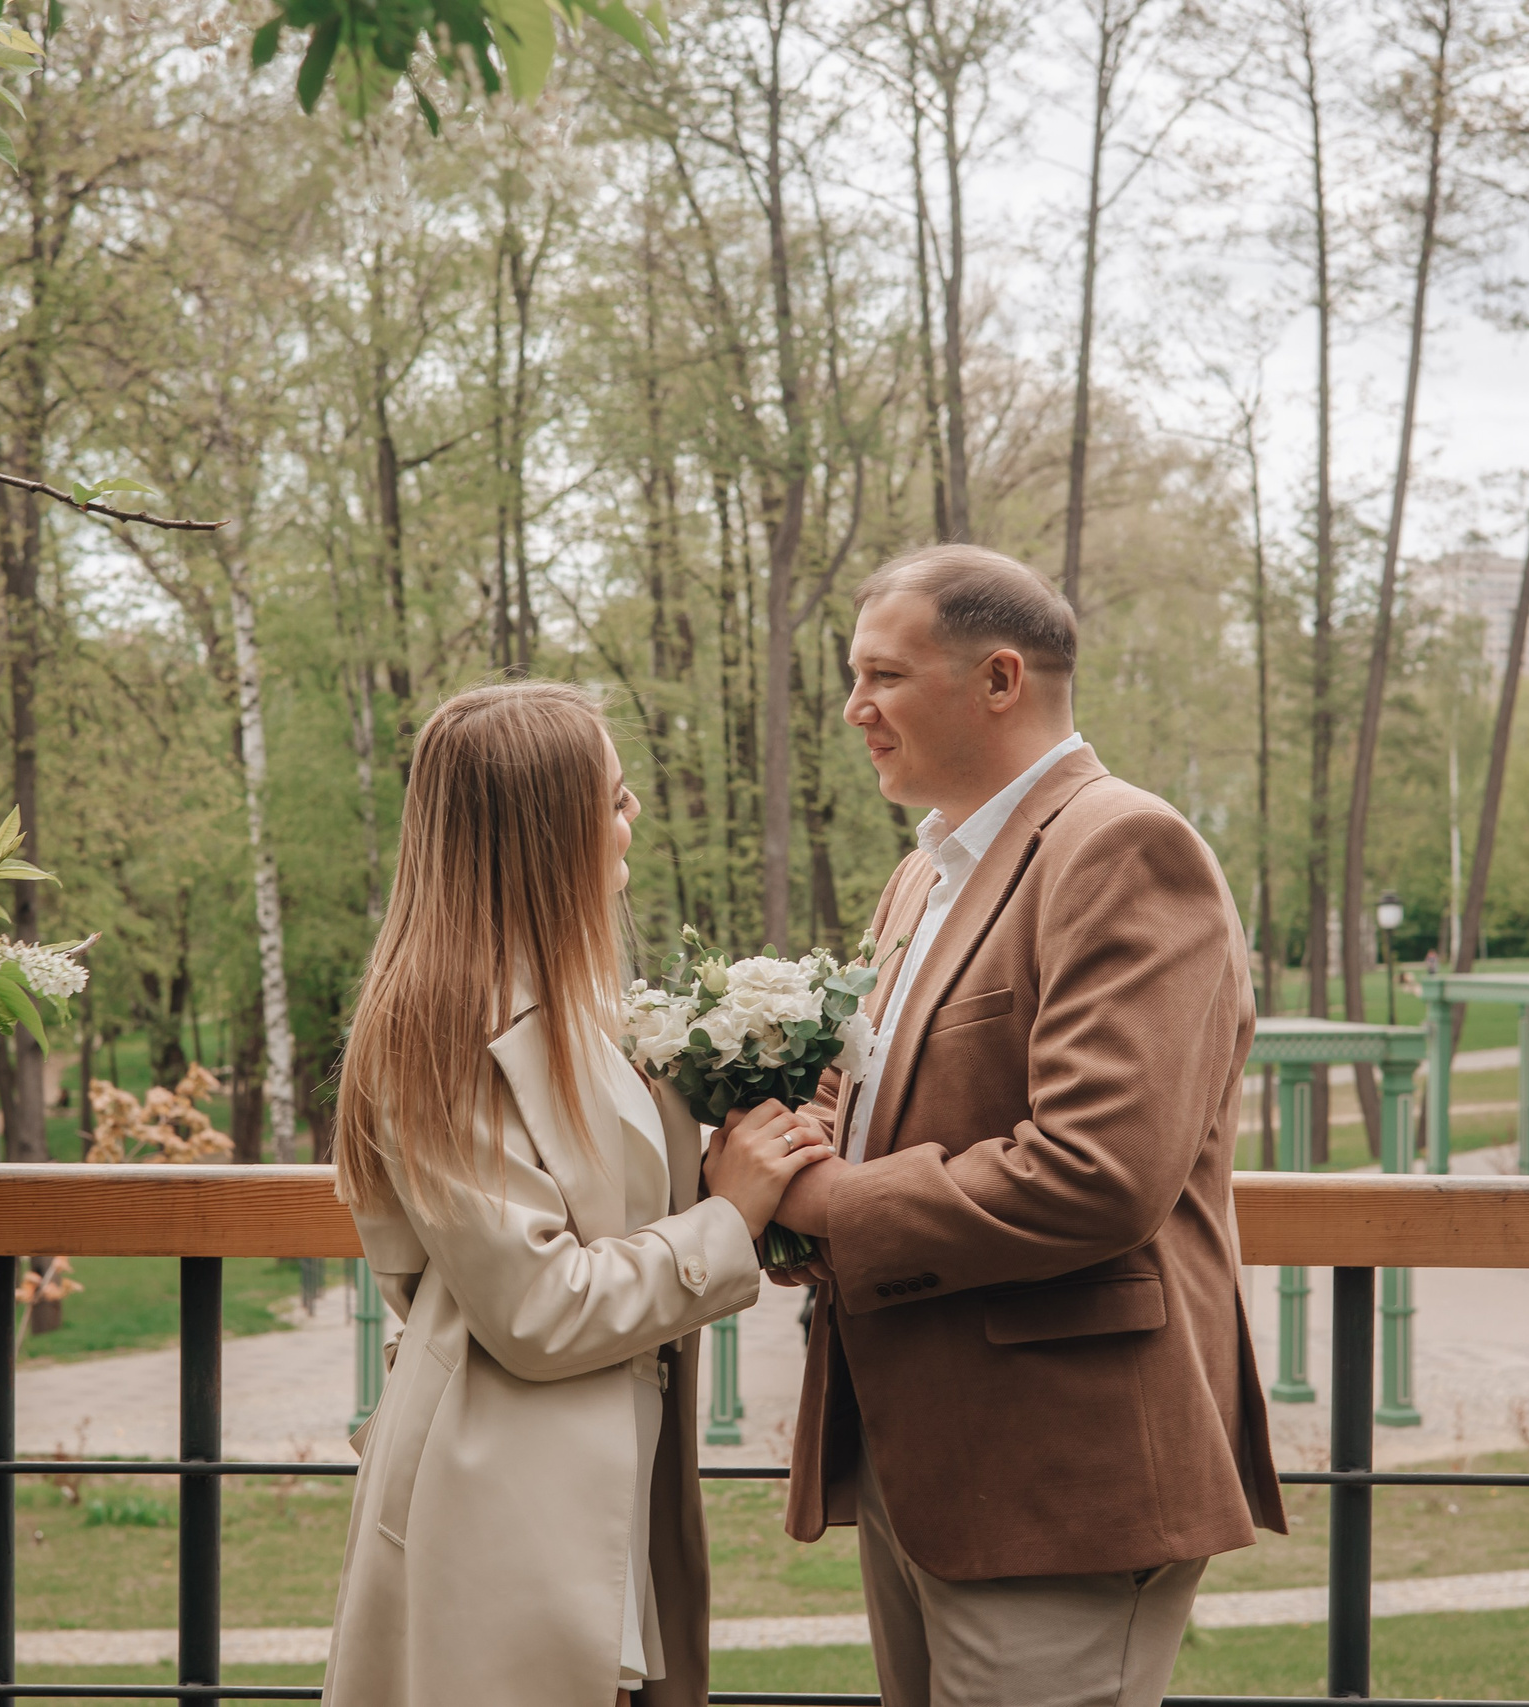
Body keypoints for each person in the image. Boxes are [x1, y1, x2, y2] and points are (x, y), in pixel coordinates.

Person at [769, 545, 1286, 1707]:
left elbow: (1096, 1174)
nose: (854, 710)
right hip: (923, 1455)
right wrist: (772, 1166)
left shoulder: (1122, 848)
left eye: (882, 678)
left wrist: (822, 1207)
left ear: (999, 679)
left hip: (1064, 1476)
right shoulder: (925, 876)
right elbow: (868, 1099)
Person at [322, 680, 832, 1707]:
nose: (630, 813)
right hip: (501, 1491)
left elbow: (609, 1205)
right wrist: (727, 1217)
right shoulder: (443, 1023)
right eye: (611, 797)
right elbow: (536, 1306)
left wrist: (764, 1165)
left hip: (598, 1477)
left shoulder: (577, 1004)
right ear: (543, 829)